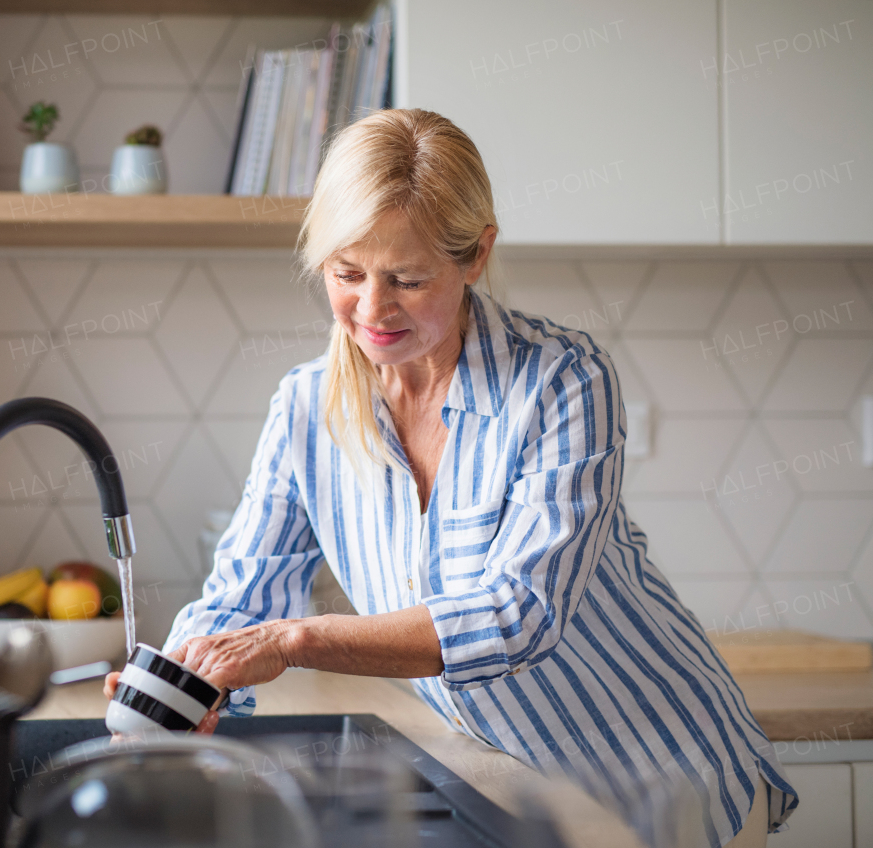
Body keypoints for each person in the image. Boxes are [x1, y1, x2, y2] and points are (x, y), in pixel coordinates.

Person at [103, 109, 796, 848]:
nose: (371, 309)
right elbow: (242, 592)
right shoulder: (307, 407)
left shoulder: (561, 380)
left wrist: (296, 639)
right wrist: (179, 687)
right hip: (516, 787)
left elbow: (515, 613)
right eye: (346, 273)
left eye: (407, 277)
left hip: (665, 782)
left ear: (475, 254)